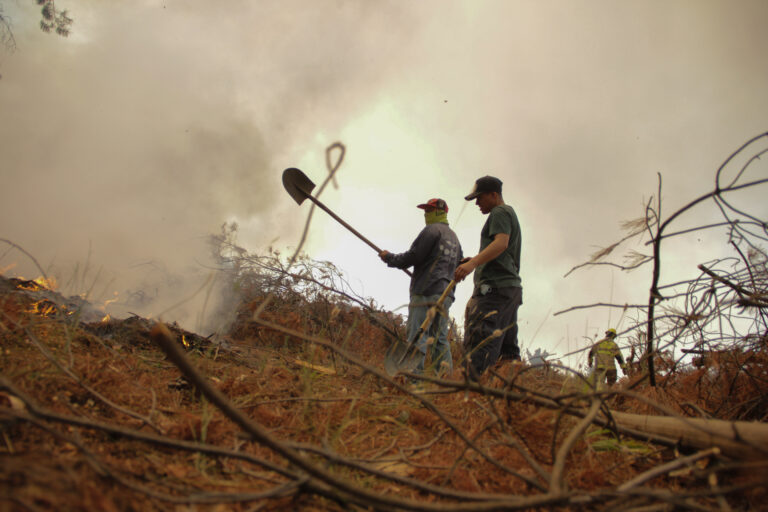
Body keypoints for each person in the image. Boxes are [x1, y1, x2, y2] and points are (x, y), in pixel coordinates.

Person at [379, 198, 463, 375]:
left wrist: (389, 258)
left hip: (425, 292)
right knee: (440, 339)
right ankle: (446, 380)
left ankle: (414, 380)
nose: (426, 214)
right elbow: (458, 265)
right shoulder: (455, 239)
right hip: (445, 294)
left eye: (429, 210)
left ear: (440, 212)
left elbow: (413, 256)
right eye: (425, 211)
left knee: (418, 336)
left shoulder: (431, 231)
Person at [454, 176, 522, 380]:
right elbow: (502, 251)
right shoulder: (509, 213)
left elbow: (501, 243)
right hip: (509, 290)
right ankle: (507, 391)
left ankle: (473, 391)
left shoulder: (499, 212)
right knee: (507, 352)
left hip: (493, 290)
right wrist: (475, 259)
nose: (477, 203)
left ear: (494, 195)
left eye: (480, 197)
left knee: (480, 345)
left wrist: (472, 264)